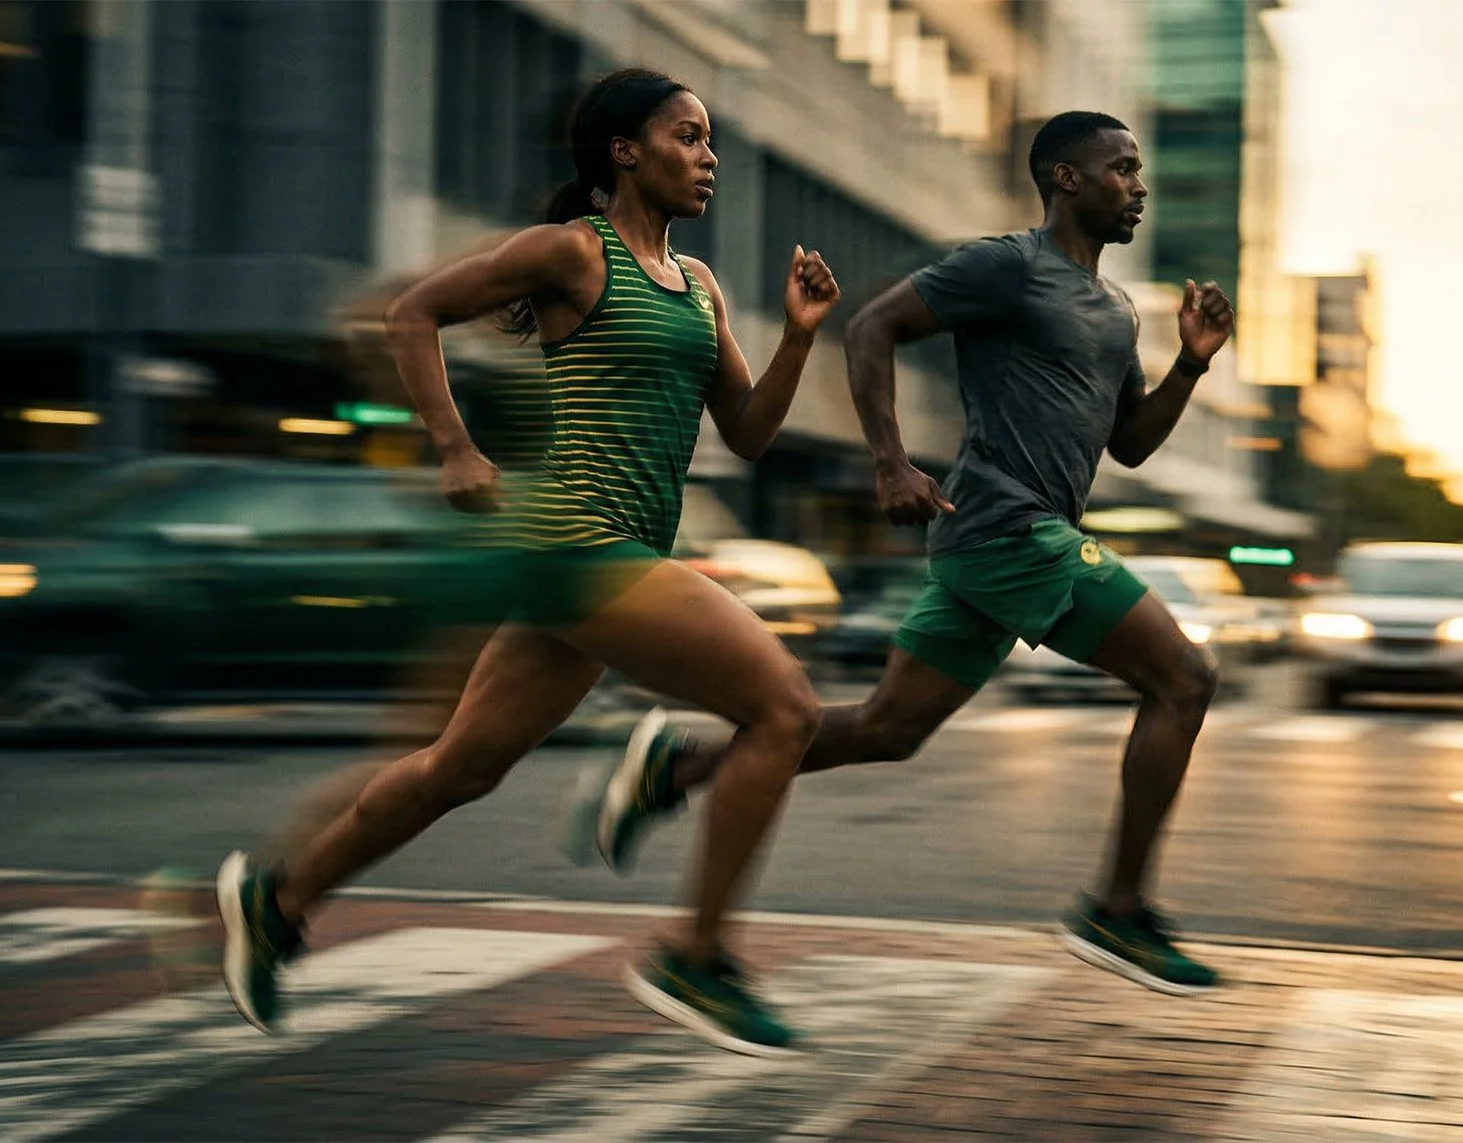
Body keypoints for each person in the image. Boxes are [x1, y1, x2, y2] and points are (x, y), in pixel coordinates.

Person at [216, 67, 840, 1056]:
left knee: (456, 770)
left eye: (710, 139)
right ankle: (699, 954)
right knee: (786, 710)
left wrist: (799, 340)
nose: (708, 156)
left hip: (604, 556)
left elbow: (750, 432)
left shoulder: (699, 286)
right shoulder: (570, 253)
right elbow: (411, 313)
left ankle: (279, 901)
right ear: (622, 153)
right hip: (580, 545)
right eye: (686, 136)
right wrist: (452, 445)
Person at [570, 110, 1234, 996]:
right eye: (1122, 169)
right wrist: (889, 459)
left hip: (1005, 544)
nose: (1139, 187)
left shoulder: (1115, 312)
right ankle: (1118, 909)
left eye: (1139, 171)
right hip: (1010, 529)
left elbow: (1133, 446)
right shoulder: (1006, 265)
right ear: (1067, 180)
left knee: (888, 730)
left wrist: (1190, 364)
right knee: (1183, 678)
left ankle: (675, 766)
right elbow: (874, 325)